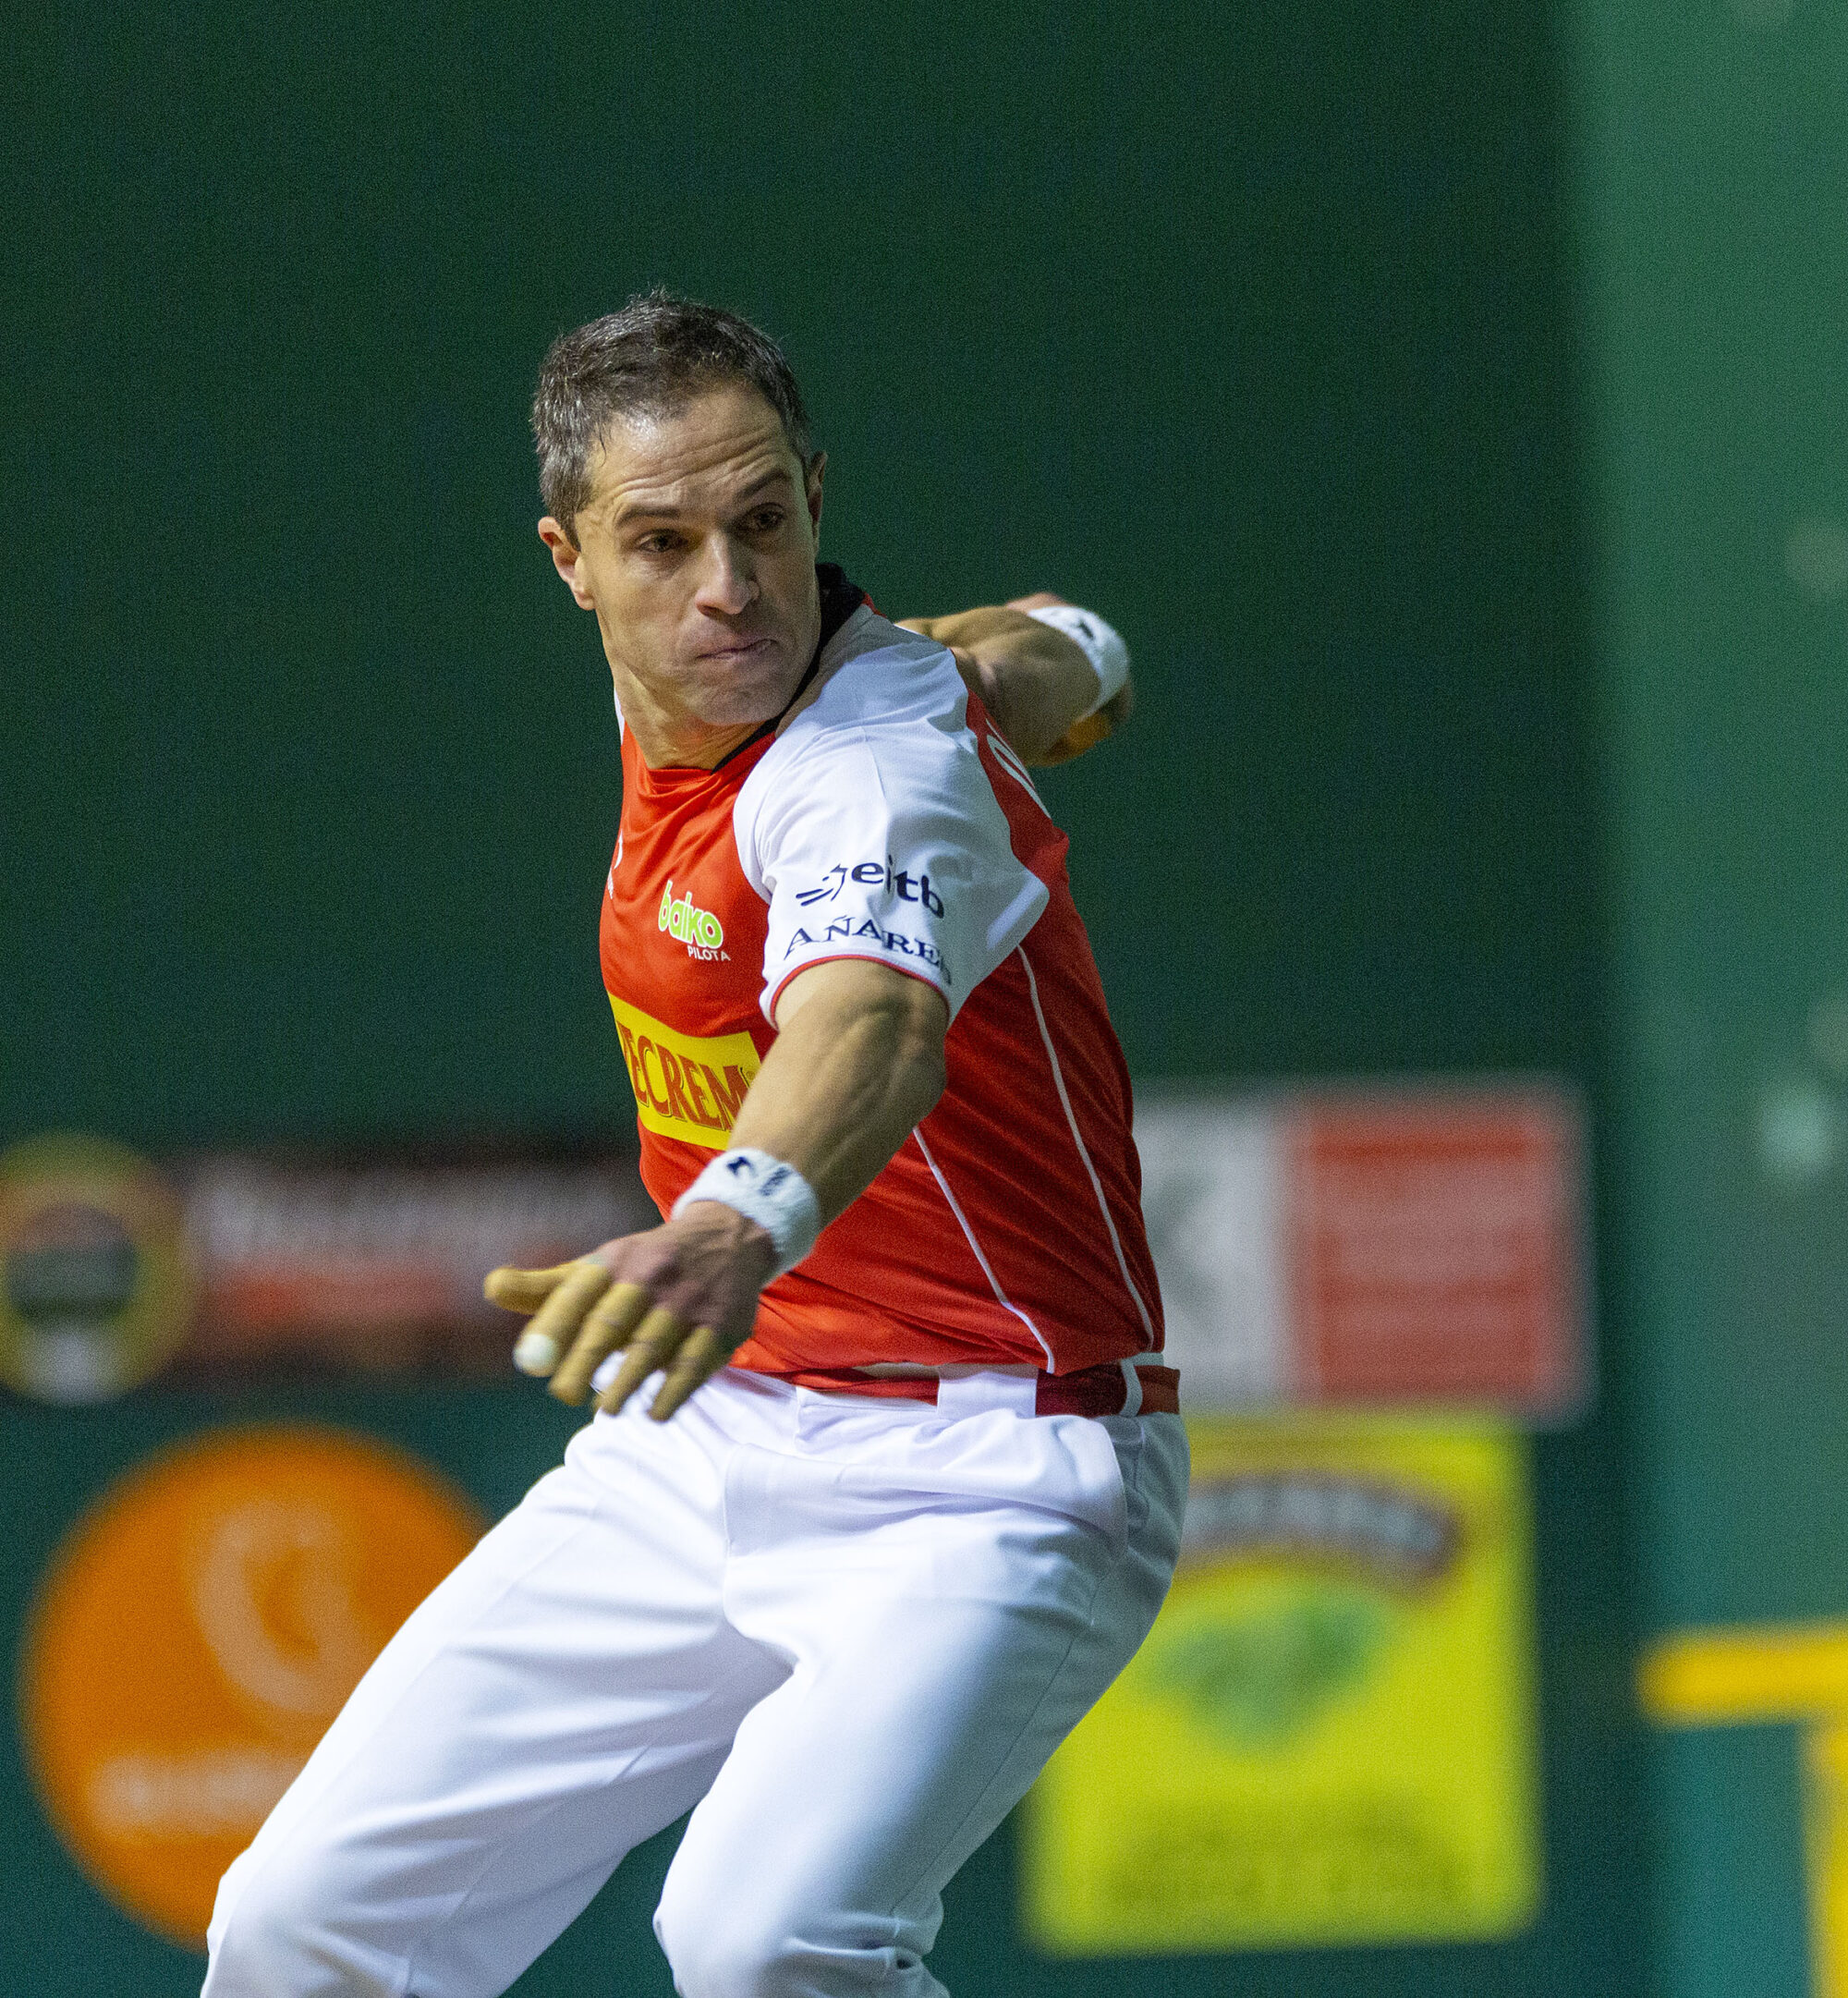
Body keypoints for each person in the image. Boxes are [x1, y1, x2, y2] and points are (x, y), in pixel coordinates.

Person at [202, 292, 1181, 1998]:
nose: (729, 586)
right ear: (570, 560)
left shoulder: (872, 772)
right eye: (663, 542)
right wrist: (1069, 654)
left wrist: (737, 1222)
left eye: (763, 522)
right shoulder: (775, 688)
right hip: (715, 1438)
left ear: (815, 493)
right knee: (301, 1924)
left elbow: (868, 1023)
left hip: (993, 1467)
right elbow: (1047, 646)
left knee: (759, 1939)